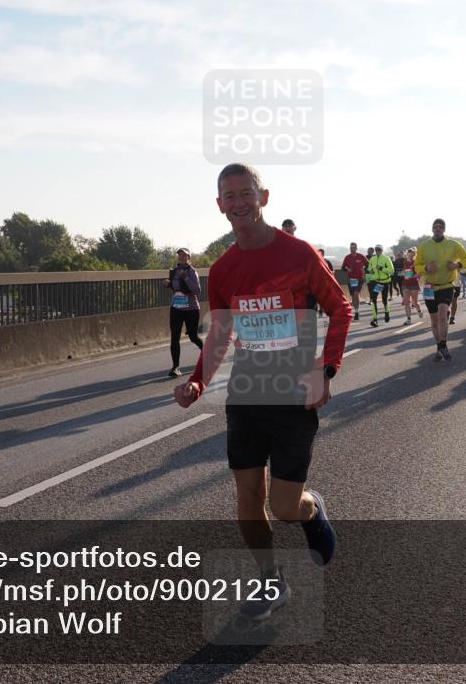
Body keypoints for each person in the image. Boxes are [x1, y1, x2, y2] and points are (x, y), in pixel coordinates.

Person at [174, 163, 352, 622]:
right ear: (220, 205)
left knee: (285, 507)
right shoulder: (223, 270)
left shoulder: (299, 254)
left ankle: (312, 510)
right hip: (247, 394)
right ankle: (271, 581)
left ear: (264, 197)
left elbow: (341, 308)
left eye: (246, 193)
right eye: (229, 196)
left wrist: (325, 370)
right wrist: (198, 381)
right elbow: (220, 334)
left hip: (294, 394)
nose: (238, 202)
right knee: (248, 498)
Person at [414, 218, 466, 361]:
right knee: (434, 321)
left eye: (440, 227)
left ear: (444, 229)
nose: (437, 229)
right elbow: (417, 265)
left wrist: (457, 265)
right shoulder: (423, 246)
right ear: (432, 229)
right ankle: (439, 346)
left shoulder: (453, 244)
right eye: (435, 227)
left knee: (442, 315)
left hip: (446, 285)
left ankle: (443, 345)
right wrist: (426, 268)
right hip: (429, 287)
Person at [163, 248, 204, 377]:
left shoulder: (192, 272)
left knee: (193, 336)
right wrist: (169, 284)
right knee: (175, 337)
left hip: (191, 309)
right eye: (179, 254)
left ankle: (207, 354)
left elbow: (197, 291)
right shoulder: (174, 271)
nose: (181, 256)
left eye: (184, 255)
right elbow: (176, 287)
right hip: (176, 307)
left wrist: (185, 277)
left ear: (188, 257)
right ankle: (175, 367)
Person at [366, 244, 394, 327]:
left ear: (382, 250)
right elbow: (369, 268)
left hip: (385, 281)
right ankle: (375, 319)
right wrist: (370, 271)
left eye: (379, 250)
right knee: (373, 299)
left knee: (384, 299)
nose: (377, 251)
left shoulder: (386, 258)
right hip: (375, 281)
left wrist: (382, 268)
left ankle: (387, 312)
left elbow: (392, 271)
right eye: (376, 250)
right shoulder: (372, 259)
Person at [341, 243, 369, 321]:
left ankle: (356, 312)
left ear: (356, 248)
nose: (352, 249)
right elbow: (343, 268)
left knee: (356, 295)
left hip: (359, 279)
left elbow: (368, 265)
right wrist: (347, 270)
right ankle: (355, 309)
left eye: (353, 247)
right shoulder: (347, 257)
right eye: (351, 248)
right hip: (352, 280)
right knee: (353, 297)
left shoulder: (361, 256)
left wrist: (364, 270)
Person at [400, 247, 423, 323]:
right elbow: (402, 272)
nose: (410, 257)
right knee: (406, 303)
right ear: (407, 255)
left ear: (414, 255)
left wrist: (413, 275)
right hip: (405, 284)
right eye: (409, 255)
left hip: (414, 284)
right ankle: (409, 319)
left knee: (415, 302)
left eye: (412, 255)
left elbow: (420, 274)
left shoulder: (416, 263)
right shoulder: (404, 262)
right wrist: (403, 274)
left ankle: (419, 310)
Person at [317, 249, 335, 318]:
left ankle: (329, 311)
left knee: (327, 297)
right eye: (319, 253)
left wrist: (331, 274)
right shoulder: (315, 261)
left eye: (321, 253)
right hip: (318, 282)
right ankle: (321, 311)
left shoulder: (327, 262)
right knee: (320, 298)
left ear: (323, 254)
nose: (320, 255)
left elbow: (332, 271)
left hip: (327, 282)